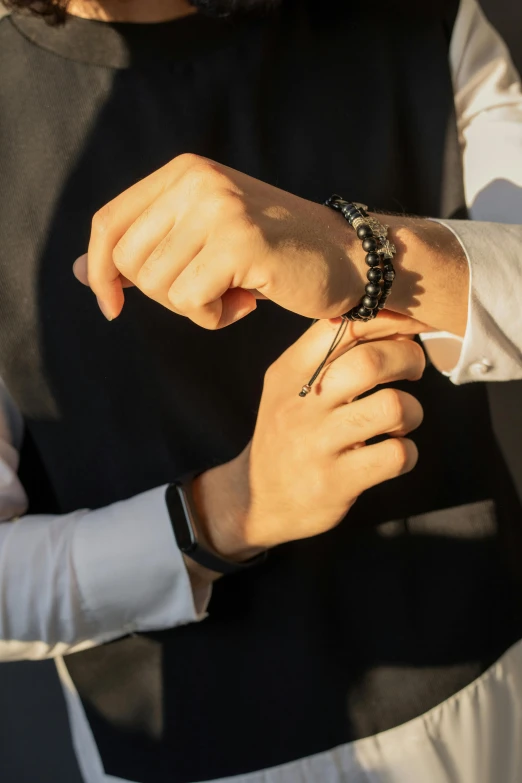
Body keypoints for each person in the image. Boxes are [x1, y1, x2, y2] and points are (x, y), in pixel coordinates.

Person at [0, 1, 522, 783]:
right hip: (177, 756)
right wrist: (225, 510)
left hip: (489, 708)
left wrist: (358, 253)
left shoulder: (424, 17)